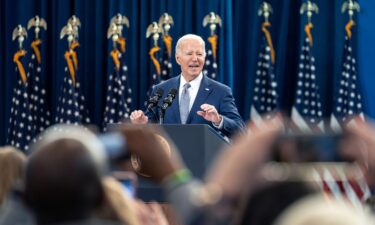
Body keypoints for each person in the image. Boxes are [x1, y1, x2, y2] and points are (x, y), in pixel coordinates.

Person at [130, 34, 245, 138]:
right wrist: (143, 124)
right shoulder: (161, 90)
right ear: (178, 58)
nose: (195, 59)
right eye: (189, 53)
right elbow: (151, 124)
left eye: (199, 54)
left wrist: (218, 119)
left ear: (204, 58)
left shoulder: (221, 91)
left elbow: (240, 130)